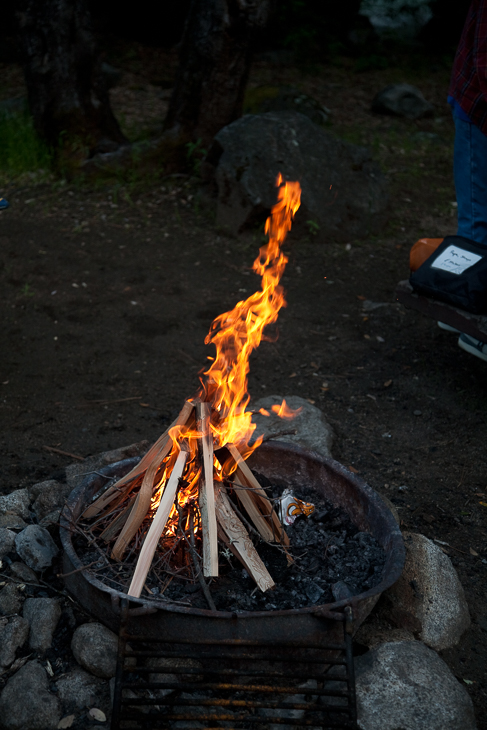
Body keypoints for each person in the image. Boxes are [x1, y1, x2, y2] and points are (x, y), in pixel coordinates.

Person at [438, 0, 487, 361]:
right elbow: (485, 62)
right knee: (477, 217)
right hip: (478, 108)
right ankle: (471, 326)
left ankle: (460, 297)